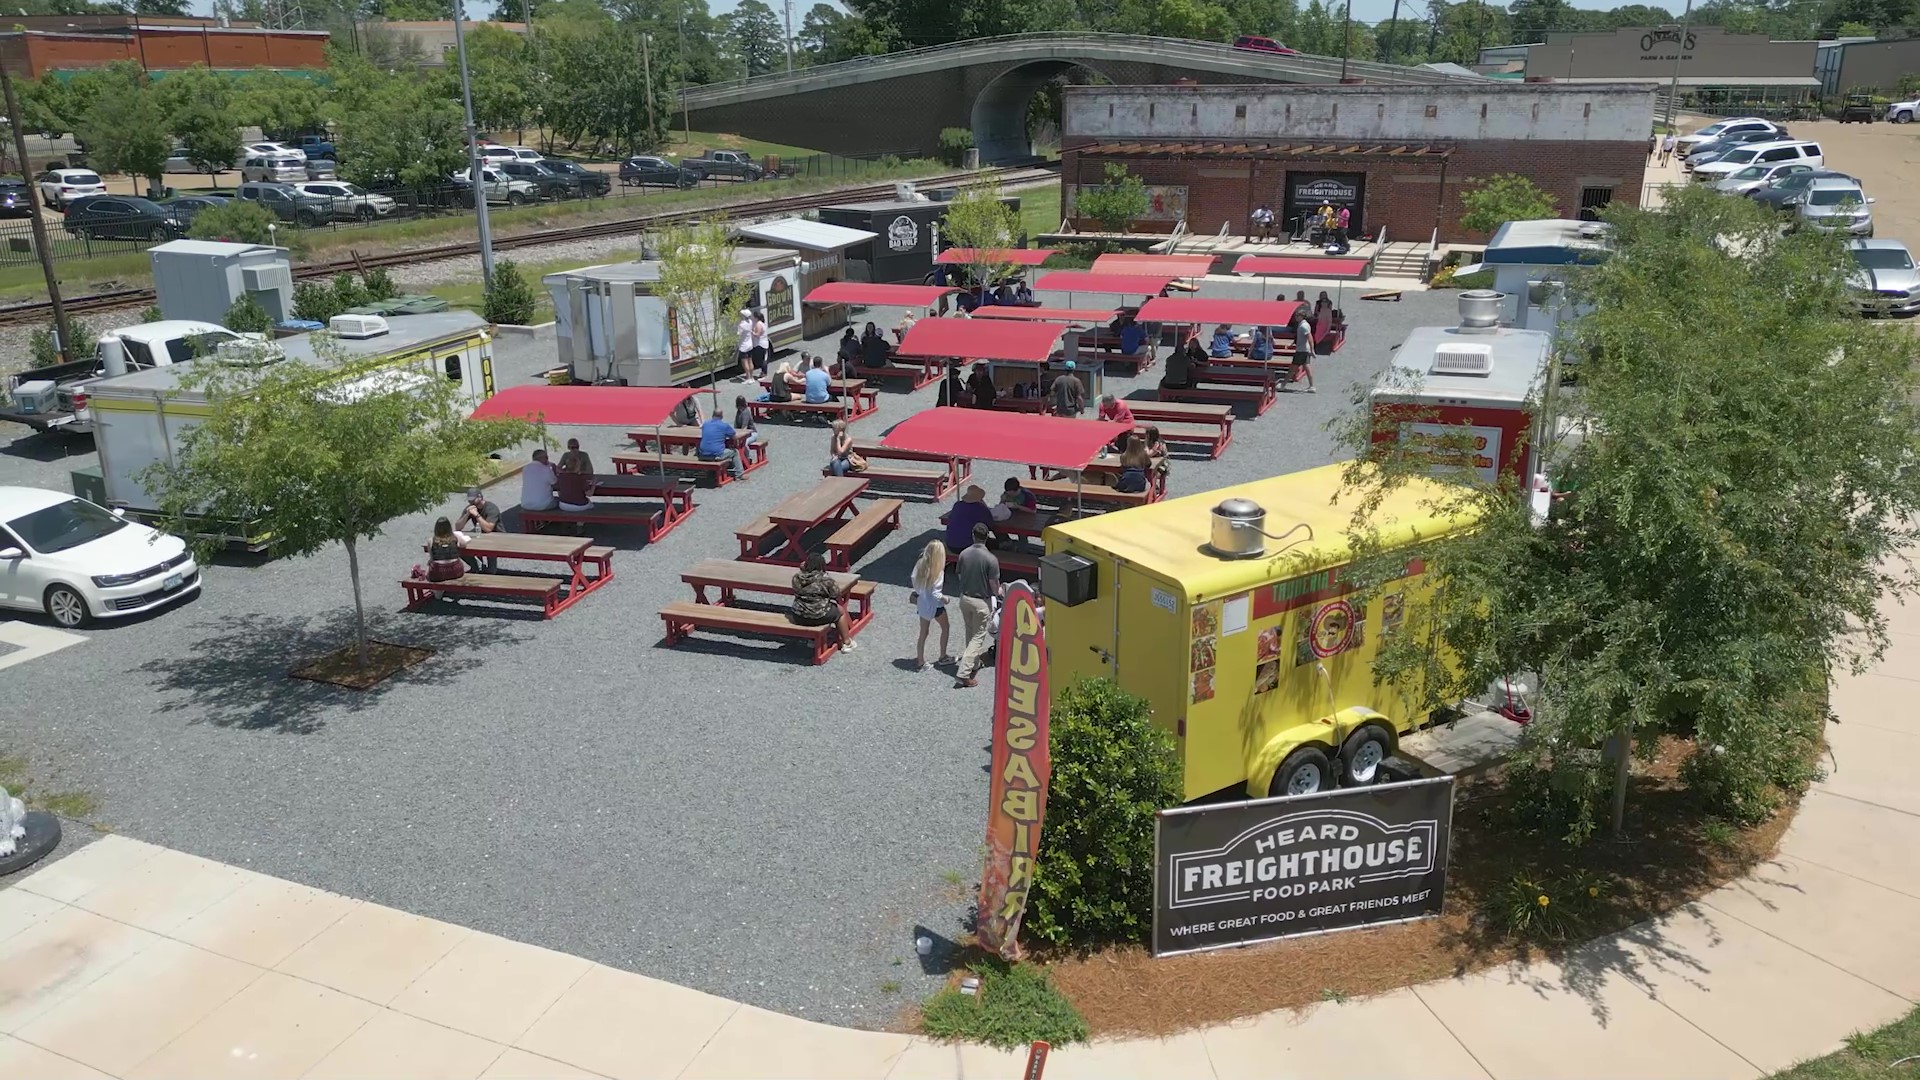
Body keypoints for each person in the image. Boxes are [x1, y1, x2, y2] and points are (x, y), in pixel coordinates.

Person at [952, 523, 1002, 688]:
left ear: (973, 535)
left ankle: (973, 664)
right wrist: (1000, 593)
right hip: (982, 602)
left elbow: (959, 575)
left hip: (965, 598)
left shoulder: (964, 554)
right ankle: (964, 673)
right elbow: (994, 584)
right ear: (987, 537)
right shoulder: (991, 559)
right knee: (977, 638)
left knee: (969, 633)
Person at [789, 552, 858, 652]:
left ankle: (812, 639)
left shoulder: (797, 577)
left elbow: (796, 589)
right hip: (819, 615)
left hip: (799, 615)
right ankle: (846, 642)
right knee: (841, 612)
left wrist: (802, 570)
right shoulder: (825, 580)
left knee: (808, 608)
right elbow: (836, 594)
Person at [909, 539, 953, 671]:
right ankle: (943, 656)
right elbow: (936, 593)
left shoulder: (920, 565)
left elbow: (914, 581)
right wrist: (944, 599)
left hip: (923, 603)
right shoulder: (938, 571)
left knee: (924, 632)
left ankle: (921, 660)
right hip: (936, 606)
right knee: (945, 628)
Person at [458, 488, 502, 572]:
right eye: (469, 500)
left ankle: (491, 571)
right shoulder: (470, 508)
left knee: (490, 551)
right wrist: (467, 514)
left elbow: (488, 529)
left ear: (480, 497)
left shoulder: (491, 508)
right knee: (458, 547)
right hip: (481, 535)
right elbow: (458, 527)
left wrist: (477, 515)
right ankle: (476, 566)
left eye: (473, 500)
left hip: (497, 536)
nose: (470, 502)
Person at [698, 407, 745, 480]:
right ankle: (739, 474)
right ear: (722, 416)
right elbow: (735, 437)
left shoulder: (705, 424)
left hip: (702, 454)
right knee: (735, 452)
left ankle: (712, 472)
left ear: (712, 415)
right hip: (716, 455)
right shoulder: (724, 425)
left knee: (711, 446)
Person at [945, 484, 995, 552]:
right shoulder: (980, 508)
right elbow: (990, 524)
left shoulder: (957, 505)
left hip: (950, 545)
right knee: (990, 544)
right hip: (968, 546)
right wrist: (984, 506)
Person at [424, 517, 469, 582]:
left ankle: (437, 591)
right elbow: (464, 545)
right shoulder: (455, 537)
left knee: (429, 567)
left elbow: (432, 558)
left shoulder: (431, 540)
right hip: (455, 570)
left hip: (438, 571)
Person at [521, 448, 559, 513]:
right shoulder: (546, 470)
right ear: (542, 458)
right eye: (546, 457)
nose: (547, 459)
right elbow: (556, 484)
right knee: (561, 502)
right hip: (544, 505)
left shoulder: (525, 468)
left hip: (525, 504)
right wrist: (554, 470)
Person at [1290, 310, 1317, 392]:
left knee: (1293, 368)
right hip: (1303, 349)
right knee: (1306, 368)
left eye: (1297, 316)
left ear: (1301, 316)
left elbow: (1310, 338)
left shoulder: (1303, 326)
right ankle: (1311, 386)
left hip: (1302, 350)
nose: (1296, 318)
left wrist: (1312, 350)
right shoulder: (1303, 325)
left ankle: (1283, 384)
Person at [735, 308, 755, 379]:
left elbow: (738, 334)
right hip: (750, 344)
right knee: (750, 360)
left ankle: (748, 377)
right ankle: (752, 377)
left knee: (745, 362)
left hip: (743, 346)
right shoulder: (750, 322)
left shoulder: (742, 324)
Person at [751, 309, 771, 377]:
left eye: (753, 317)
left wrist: (752, 332)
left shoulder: (758, 324)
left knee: (760, 360)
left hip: (760, 344)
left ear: (756, 317)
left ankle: (764, 372)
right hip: (764, 343)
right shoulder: (763, 323)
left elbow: (758, 334)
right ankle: (764, 372)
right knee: (763, 359)